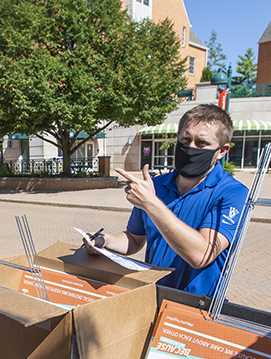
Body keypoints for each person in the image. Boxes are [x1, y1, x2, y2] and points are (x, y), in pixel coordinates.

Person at [85, 104, 250, 296]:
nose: (190, 148)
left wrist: (150, 203)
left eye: (202, 143)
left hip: (197, 306)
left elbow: (201, 255)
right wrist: (103, 241)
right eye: (185, 139)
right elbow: (134, 239)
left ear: (222, 151)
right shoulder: (155, 185)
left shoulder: (232, 193)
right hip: (153, 295)